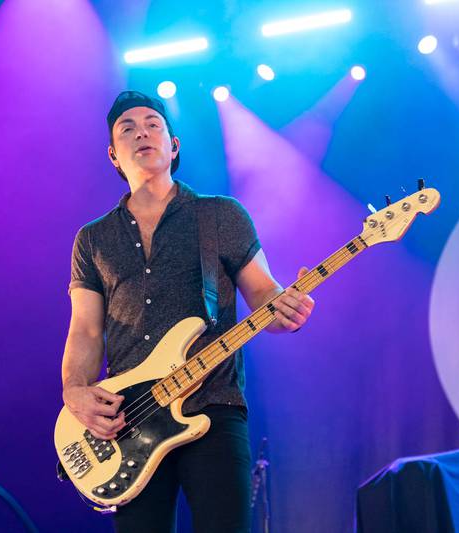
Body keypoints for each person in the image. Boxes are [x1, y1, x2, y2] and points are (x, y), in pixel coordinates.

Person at [61, 90, 314, 532]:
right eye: (128, 128)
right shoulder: (93, 239)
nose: (142, 131)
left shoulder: (220, 215)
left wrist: (285, 308)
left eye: (153, 124)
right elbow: (85, 329)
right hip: (128, 420)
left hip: (213, 405)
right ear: (113, 155)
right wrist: (74, 391)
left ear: (173, 146)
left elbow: (264, 294)